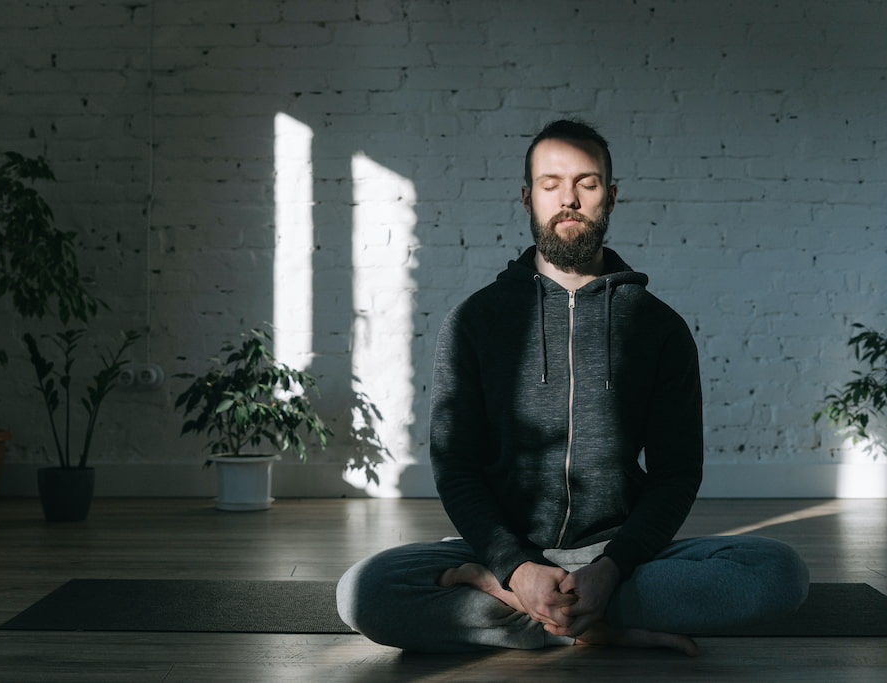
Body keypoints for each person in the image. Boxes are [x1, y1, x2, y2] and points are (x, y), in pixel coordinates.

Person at [336, 119, 810, 655]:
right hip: (505, 550)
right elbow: (456, 467)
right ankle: (586, 622)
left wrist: (612, 569)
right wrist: (514, 568)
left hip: (619, 555)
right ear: (527, 197)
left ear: (610, 196)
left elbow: (676, 474)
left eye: (586, 183)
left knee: (778, 574)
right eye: (551, 183)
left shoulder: (658, 327)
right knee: (363, 591)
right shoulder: (475, 320)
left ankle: (544, 613)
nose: (570, 199)